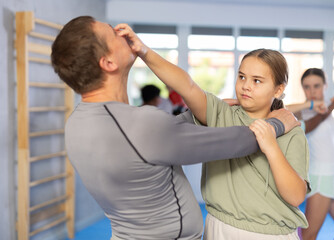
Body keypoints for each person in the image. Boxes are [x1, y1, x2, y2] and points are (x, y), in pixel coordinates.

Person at [50, 16, 299, 240]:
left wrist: (205, 112)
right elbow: (237, 142)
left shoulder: (76, 123)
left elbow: (149, 142)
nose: (122, 32)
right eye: (112, 33)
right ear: (108, 62)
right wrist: (279, 123)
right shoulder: (141, 124)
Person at [143, 46, 310, 239]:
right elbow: (186, 86)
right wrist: (143, 51)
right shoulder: (221, 113)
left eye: (257, 81)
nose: (246, 86)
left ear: (278, 89)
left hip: (271, 233)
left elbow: (296, 195)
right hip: (219, 227)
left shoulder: (291, 132)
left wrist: (271, 146)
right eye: (242, 77)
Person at [293, 68, 334, 240]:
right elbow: (311, 125)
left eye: (317, 86)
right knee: (308, 235)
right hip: (320, 177)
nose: (312, 91)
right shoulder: (302, 112)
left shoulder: (328, 103)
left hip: (332, 177)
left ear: (326, 85)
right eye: (307, 87)